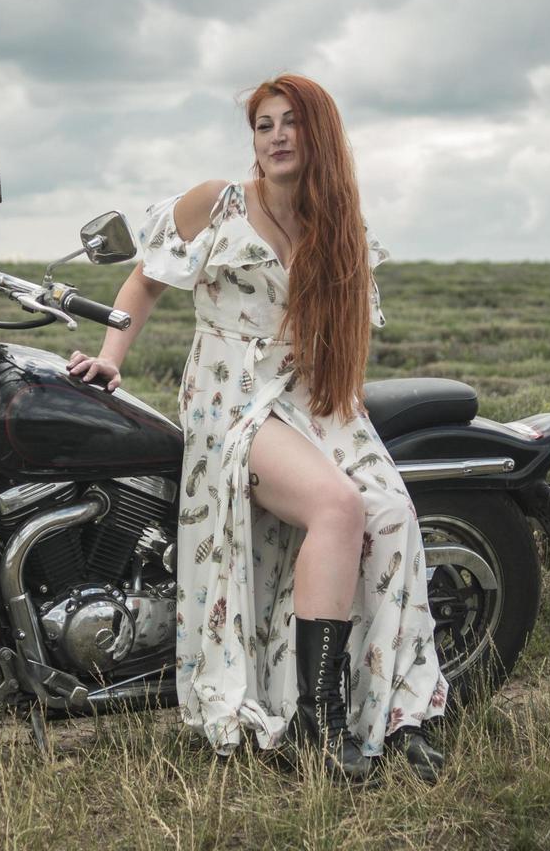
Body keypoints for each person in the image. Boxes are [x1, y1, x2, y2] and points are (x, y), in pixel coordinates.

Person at [66, 74, 447, 783]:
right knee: (336, 506)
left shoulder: (340, 230)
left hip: (310, 393)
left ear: (319, 136)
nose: (275, 136)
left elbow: (347, 336)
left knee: (391, 512)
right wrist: (112, 358)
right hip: (230, 395)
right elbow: (145, 280)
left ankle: (399, 714)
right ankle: (320, 724)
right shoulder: (219, 203)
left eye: (290, 123)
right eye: (264, 125)